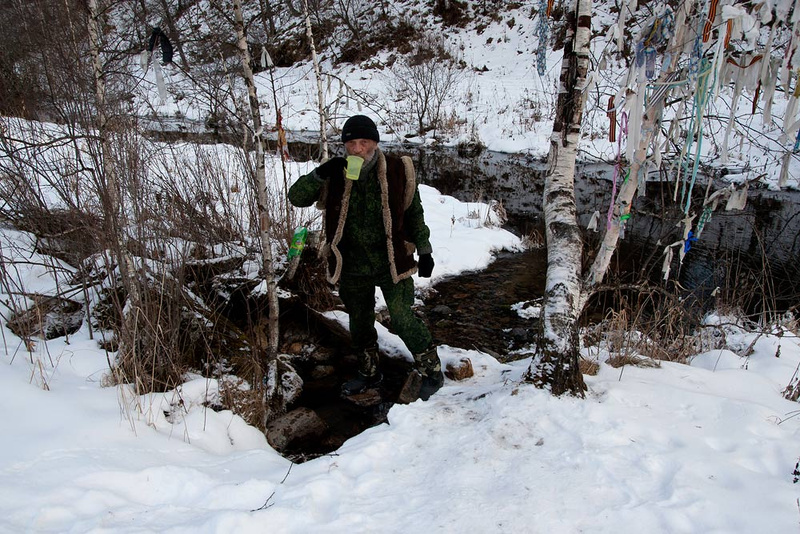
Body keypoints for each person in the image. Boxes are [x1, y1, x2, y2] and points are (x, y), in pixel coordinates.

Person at [288, 115, 443, 401]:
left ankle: (432, 371)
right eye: (351, 143)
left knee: (402, 318)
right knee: (359, 321)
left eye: (364, 142)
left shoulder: (398, 169)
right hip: (351, 264)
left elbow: (414, 214)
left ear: (375, 142)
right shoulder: (335, 172)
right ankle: (369, 372)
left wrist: (425, 250)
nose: (357, 149)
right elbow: (296, 198)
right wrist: (320, 174)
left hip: (392, 261)